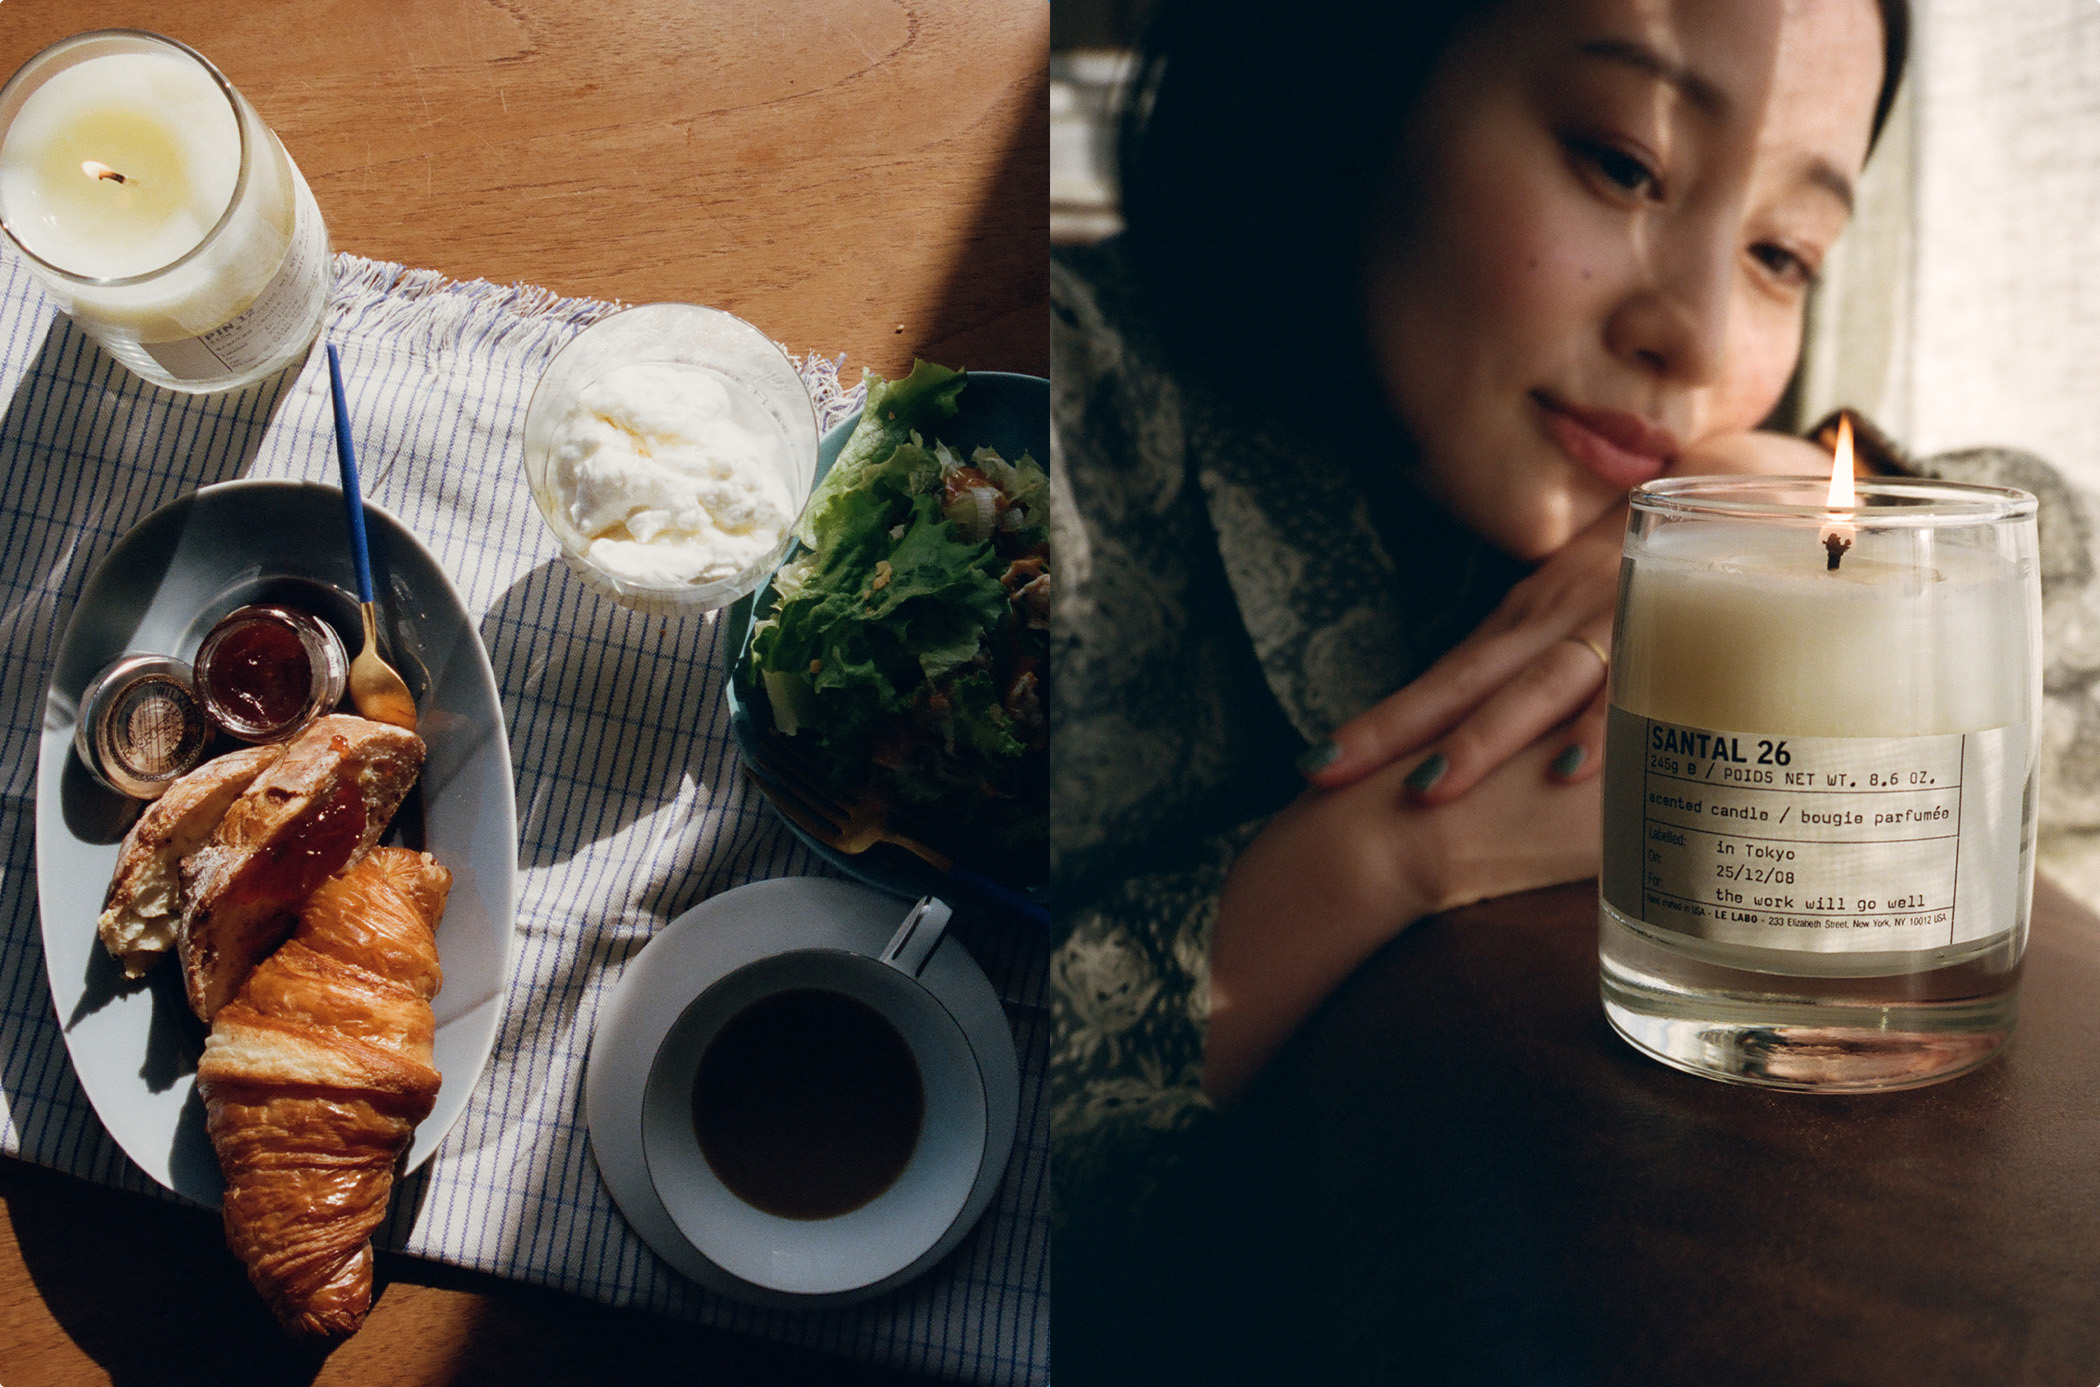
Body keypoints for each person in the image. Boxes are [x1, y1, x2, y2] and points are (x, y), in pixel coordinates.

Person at [1053, 0, 1969, 1217]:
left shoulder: (1657, 511)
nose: (1698, 341)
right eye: (1624, 164)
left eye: (1781, 255)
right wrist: (1388, 850)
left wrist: (1801, 491)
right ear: (1365, 73)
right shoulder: (1051, 430)